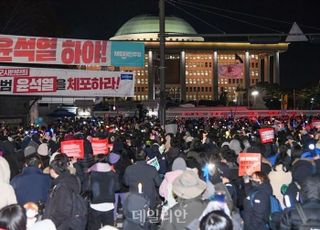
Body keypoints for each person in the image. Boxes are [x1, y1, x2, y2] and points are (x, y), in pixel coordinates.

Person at [43, 154, 86, 230]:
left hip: (61, 225)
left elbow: (62, 212)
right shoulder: (69, 179)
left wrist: (50, 224)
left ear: (53, 171)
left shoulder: (62, 187)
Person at [87, 154, 120, 230]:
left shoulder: (92, 173)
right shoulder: (112, 173)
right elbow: (117, 188)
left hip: (95, 205)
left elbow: (88, 188)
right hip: (109, 205)